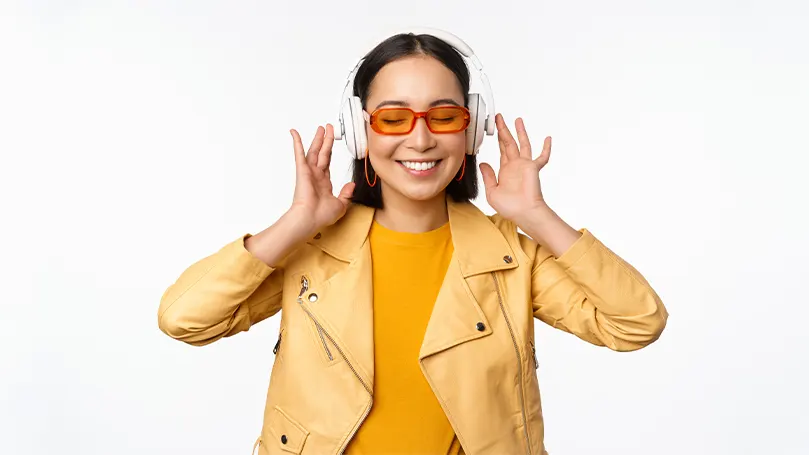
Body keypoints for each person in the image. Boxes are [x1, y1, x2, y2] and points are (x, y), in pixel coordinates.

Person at [157, 28, 668, 455]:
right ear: (361, 133)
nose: (420, 139)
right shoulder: (310, 251)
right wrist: (295, 222)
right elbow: (185, 319)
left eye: (443, 116)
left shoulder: (512, 256)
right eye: (393, 118)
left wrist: (537, 216)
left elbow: (636, 323)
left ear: (470, 131)